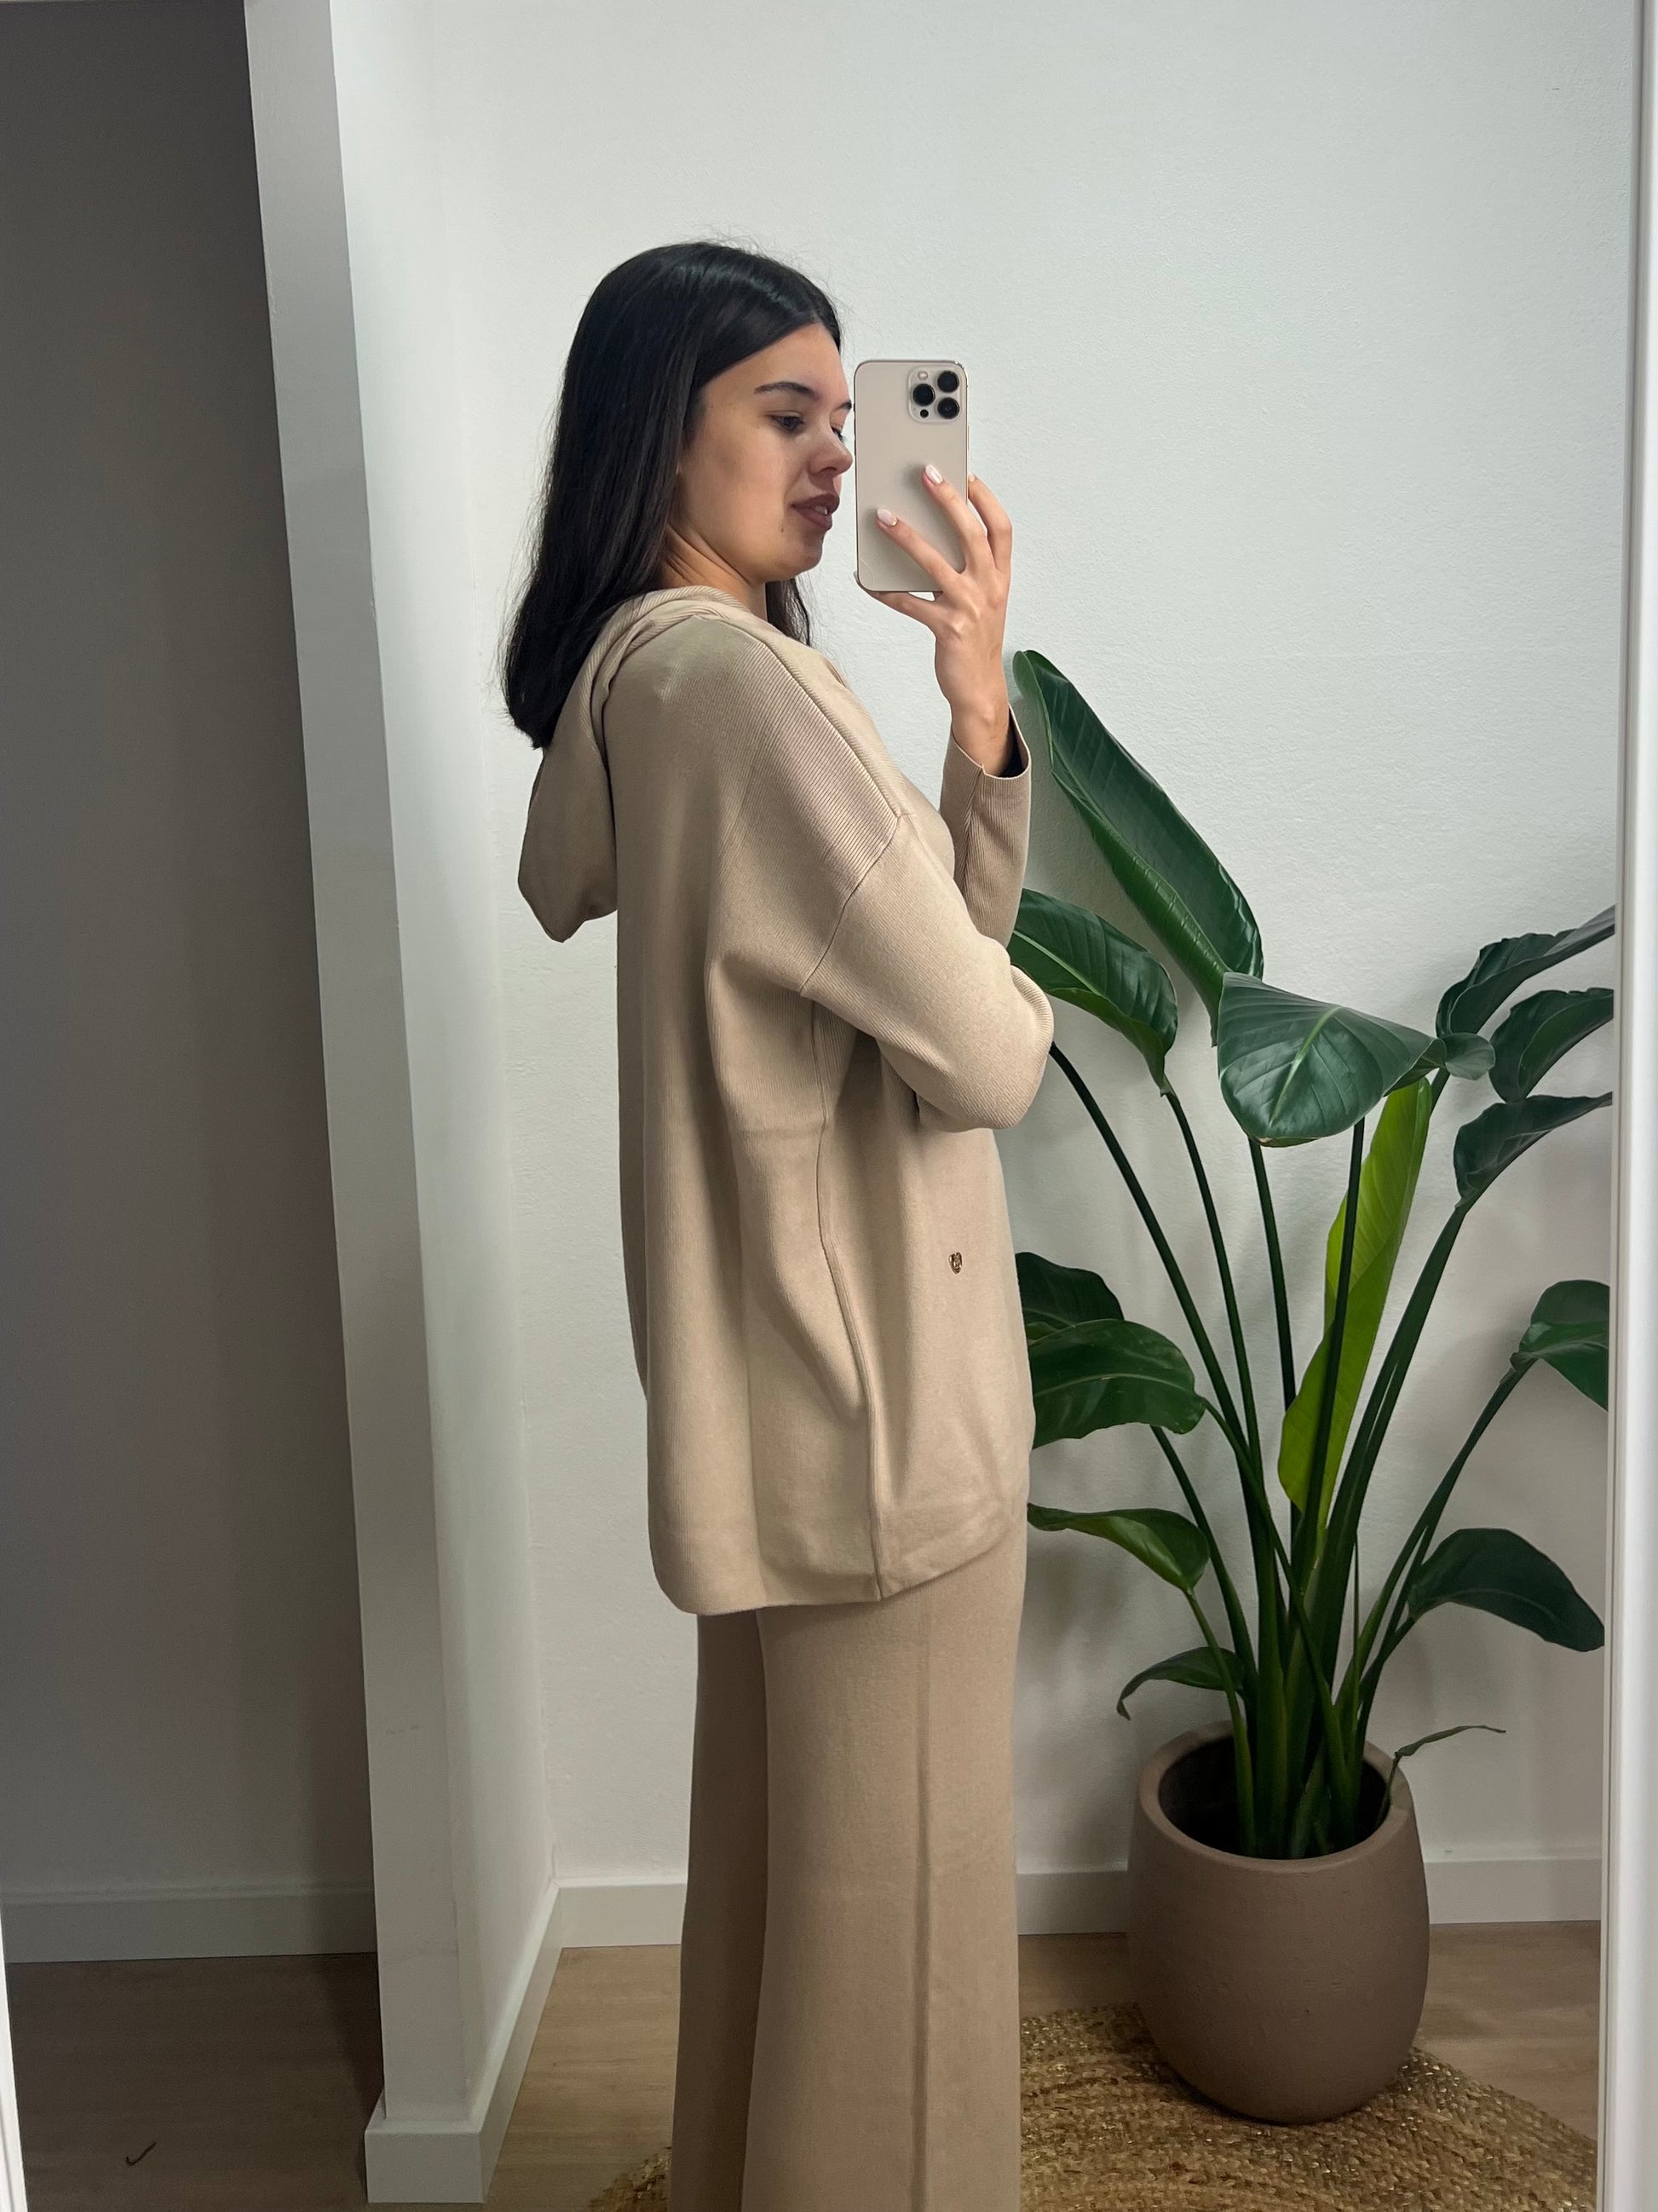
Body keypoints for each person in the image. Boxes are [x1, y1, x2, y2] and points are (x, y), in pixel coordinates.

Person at [500, 239, 1053, 2212]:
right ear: (661, 432)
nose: (835, 454)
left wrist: (973, 712)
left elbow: (911, 986)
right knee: (897, 1996)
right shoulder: (746, 686)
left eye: (845, 411)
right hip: (885, 1407)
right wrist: (995, 986)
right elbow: (984, 1049)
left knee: (789, 1934)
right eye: (784, 411)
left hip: (787, 1409)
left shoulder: (639, 680)